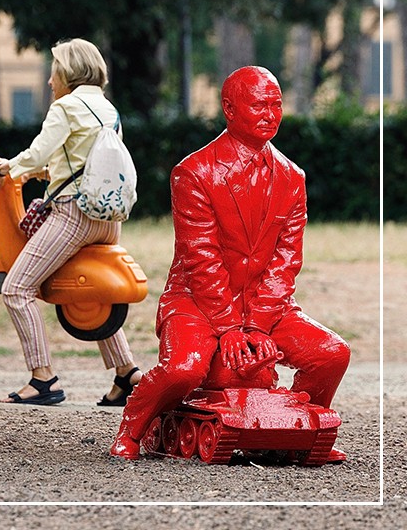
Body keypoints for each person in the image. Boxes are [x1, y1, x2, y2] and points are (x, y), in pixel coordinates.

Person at [110, 66, 351, 461]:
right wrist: (228, 327)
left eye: (276, 105)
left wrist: (255, 324)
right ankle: (133, 428)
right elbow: (199, 255)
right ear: (229, 108)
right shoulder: (194, 172)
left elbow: (286, 260)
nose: (270, 114)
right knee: (183, 370)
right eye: (258, 105)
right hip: (196, 301)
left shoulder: (292, 177)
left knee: (331, 353)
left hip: (264, 304)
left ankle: (293, 430)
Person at [0, 38, 142, 406]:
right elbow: (91, 161)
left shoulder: (66, 106)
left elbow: (40, 149)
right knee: (93, 294)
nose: (50, 82)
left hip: (74, 215)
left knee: (17, 289)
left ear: (69, 73)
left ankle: (42, 379)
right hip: (108, 219)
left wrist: (6, 169)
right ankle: (127, 374)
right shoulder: (108, 108)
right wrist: (45, 172)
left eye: (54, 73)